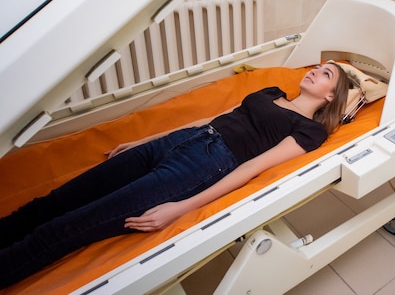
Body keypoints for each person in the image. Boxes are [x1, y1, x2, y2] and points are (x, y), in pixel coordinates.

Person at [0, 62, 351, 288]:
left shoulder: (309, 131)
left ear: (331, 95)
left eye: (325, 74)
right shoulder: (270, 92)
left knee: (67, 226)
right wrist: (144, 140)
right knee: (56, 201)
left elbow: (251, 168)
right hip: (177, 141)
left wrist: (181, 207)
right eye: (317, 67)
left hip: (202, 165)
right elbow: (208, 120)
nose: (314, 71)